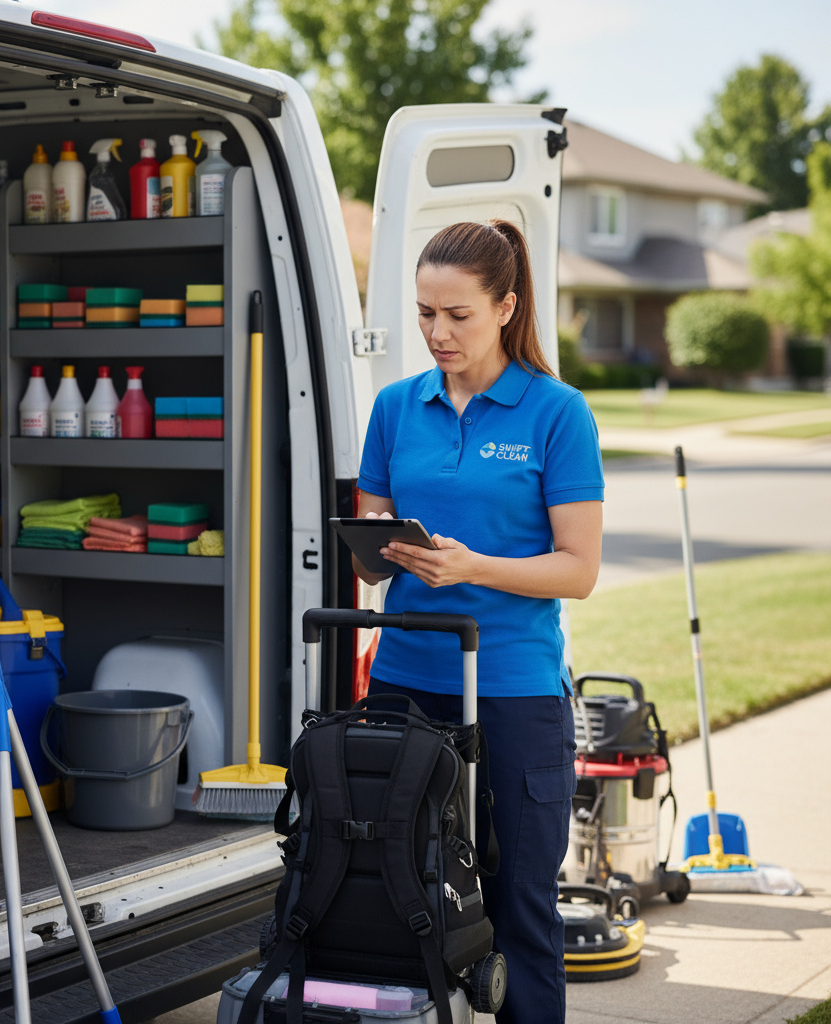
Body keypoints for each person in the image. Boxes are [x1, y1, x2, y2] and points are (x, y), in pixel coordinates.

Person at [353, 220, 604, 1024]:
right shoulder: (396, 408)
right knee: (396, 892)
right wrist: (381, 547)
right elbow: (367, 561)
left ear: (505, 307)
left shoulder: (557, 413)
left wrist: (476, 568)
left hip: (512, 694)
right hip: (402, 687)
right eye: (425, 313)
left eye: (457, 315)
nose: (436, 333)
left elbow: (579, 568)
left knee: (518, 904)